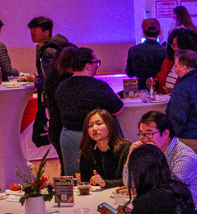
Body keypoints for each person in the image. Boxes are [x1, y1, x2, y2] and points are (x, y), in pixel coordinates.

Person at [130, 111, 197, 214]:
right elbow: (130, 184)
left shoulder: (184, 158)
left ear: (165, 133)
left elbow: (168, 195)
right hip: (172, 210)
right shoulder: (155, 153)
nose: (144, 139)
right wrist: (131, 156)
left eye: (149, 134)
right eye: (141, 134)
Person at [54, 46, 123, 177]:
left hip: (68, 137)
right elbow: (117, 109)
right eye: (96, 62)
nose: (97, 65)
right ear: (87, 65)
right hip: (95, 138)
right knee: (99, 177)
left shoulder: (62, 87)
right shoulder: (99, 86)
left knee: (75, 178)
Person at [29, 16, 67, 153]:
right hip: (58, 95)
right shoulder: (42, 48)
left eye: (35, 31)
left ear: (46, 32)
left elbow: (51, 78)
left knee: (57, 131)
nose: (32, 34)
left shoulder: (49, 51)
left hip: (55, 96)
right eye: (31, 31)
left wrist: (38, 81)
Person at [40, 42, 76, 162]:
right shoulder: (69, 81)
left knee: (65, 165)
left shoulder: (51, 77)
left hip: (55, 128)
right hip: (66, 129)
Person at [78, 109, 131, 188]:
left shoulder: (125, 148)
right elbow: (85, 181)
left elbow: (129, 180)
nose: (94, 128)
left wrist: (105, 183)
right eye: (90, 126)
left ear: (110, 125)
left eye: (99, 124)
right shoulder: (87, 150)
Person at [154, 28, 197, 94]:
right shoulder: (169, 60)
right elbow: (159, 78)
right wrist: (154, 82)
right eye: (172, 45)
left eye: (177, 45)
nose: (174, 48)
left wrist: (174, 93)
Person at [126, 19, 165, 91]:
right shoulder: (165, 51)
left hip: (140, 90)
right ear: (159, 32)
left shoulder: (133, 50)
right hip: (160, 90)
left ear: (143, 33)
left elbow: (130, 74)